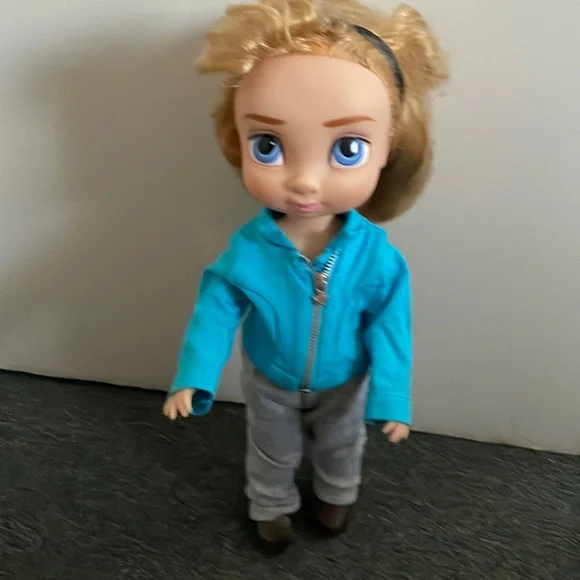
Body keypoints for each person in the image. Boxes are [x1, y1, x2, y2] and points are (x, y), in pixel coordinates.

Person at [163, 0, 448, 553]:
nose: (305, 183)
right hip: (271, 377)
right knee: (270, 449)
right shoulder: (250, 249)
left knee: (342, 446)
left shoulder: (376, 257)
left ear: (389, 147)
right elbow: (216, 306)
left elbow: (391, 327)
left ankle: (337, 497)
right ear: (238, 138)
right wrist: (195, 372)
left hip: (345, 381)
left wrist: (391, 394)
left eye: (348, 149)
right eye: (268, 146)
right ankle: (269, 506)